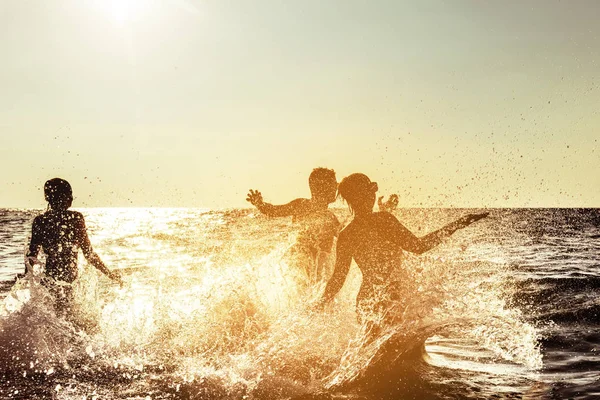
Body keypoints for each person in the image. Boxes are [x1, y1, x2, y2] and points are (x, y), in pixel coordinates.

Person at [316, 173, 487, 333]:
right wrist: (459, 223)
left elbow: (337, 279)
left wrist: (319, 304)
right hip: (390, 295)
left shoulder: (346, 234)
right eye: (371, 190)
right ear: (365, 195)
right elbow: (419, 246)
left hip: (367, 300)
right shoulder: (383, 220)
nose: (373, 195)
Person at [25, 178, 121, 314]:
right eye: (69, 195)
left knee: (53, 320)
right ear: (65, 197)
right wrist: (110, 274)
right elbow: (89, 254)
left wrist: (25, 280)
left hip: (49, 282)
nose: (71, 198)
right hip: (69, 282)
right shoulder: (75, 218)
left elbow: (32, 256)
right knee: (69, 319)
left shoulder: (41, 221)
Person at [246, 168, 341, 285]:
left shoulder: (308, 208)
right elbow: (274, 211)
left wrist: (260, 204)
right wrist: (260, 204)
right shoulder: (312, 210)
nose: (336, 187)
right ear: (324, 187)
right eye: (334, 184)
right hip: (306, 260)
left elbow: (273, 211)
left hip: (304, 260)